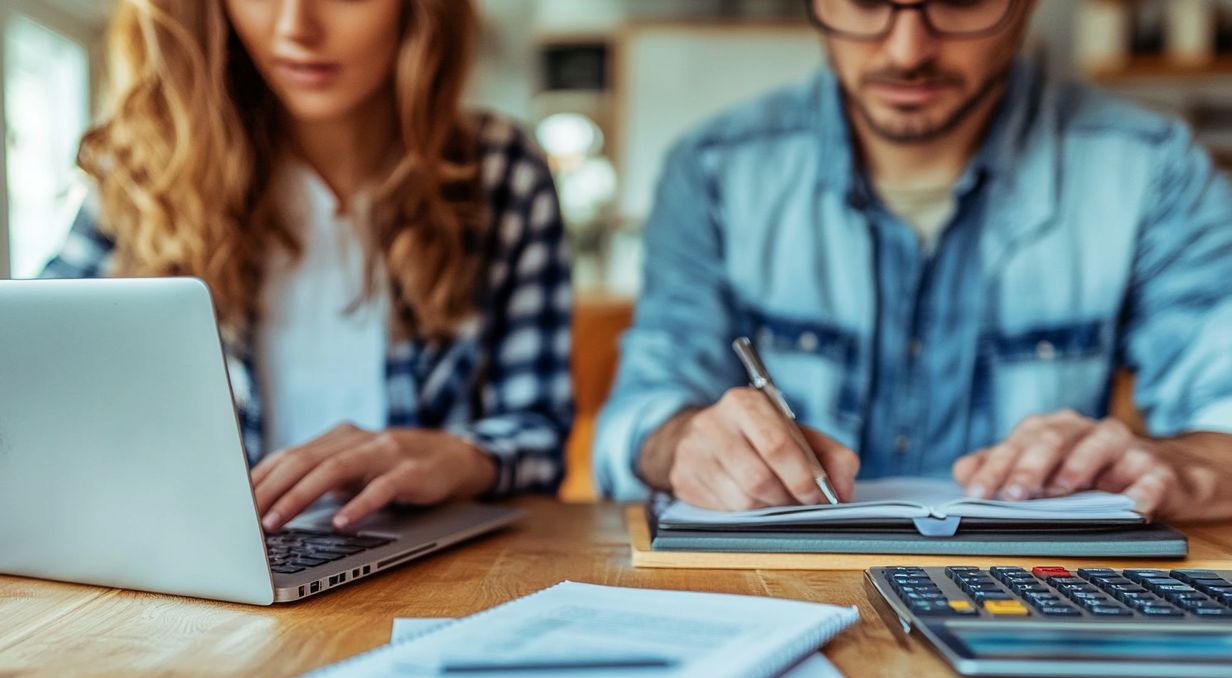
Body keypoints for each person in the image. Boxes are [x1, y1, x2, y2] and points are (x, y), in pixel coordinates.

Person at [594, 0, 1232, 521]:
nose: (907, 51)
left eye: (958, 2)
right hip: (779, 593)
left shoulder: (1155, 171)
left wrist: (1174, 465)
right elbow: (637, 419)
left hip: (1032, 594)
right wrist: (682, 445)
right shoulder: (712, 171)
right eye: (867, 1)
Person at [43, 0, 572, 532]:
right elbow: (34, 359)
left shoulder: (501, 172)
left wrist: (460, 457)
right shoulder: (147, 171)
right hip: (198, 579)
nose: (296, 27)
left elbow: (540, 438)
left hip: (429, 581)